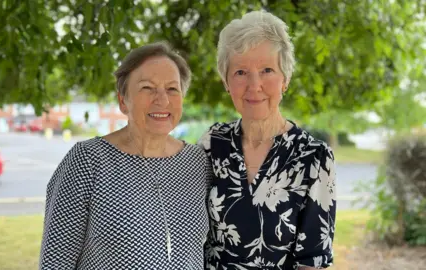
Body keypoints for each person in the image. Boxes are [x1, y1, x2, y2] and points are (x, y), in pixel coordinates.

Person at [38, 42, 211, 269]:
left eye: (172, 89)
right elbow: (55, 262)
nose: (162, 100)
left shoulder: (197, 162)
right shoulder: (88, 160)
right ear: (123, 101)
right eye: (147, 88)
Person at [198, 10, 336, 270]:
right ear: (226, 81)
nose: (254, 85)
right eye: (240, 72)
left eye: (267, 70)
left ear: (285, 79)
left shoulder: (314, 157)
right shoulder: (211, 144)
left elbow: (313, 262)